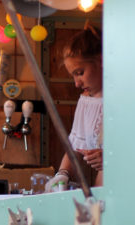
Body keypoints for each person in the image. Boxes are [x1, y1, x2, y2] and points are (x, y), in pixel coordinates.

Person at [45, 25, 103, 192]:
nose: (77, 83)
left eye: (80, 72)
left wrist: (112, 158)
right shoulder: (85, 102)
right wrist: (62, 174)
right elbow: (75, 146)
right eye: (73, 75)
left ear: (100, 60)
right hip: (102, 190)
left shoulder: (128, 98)